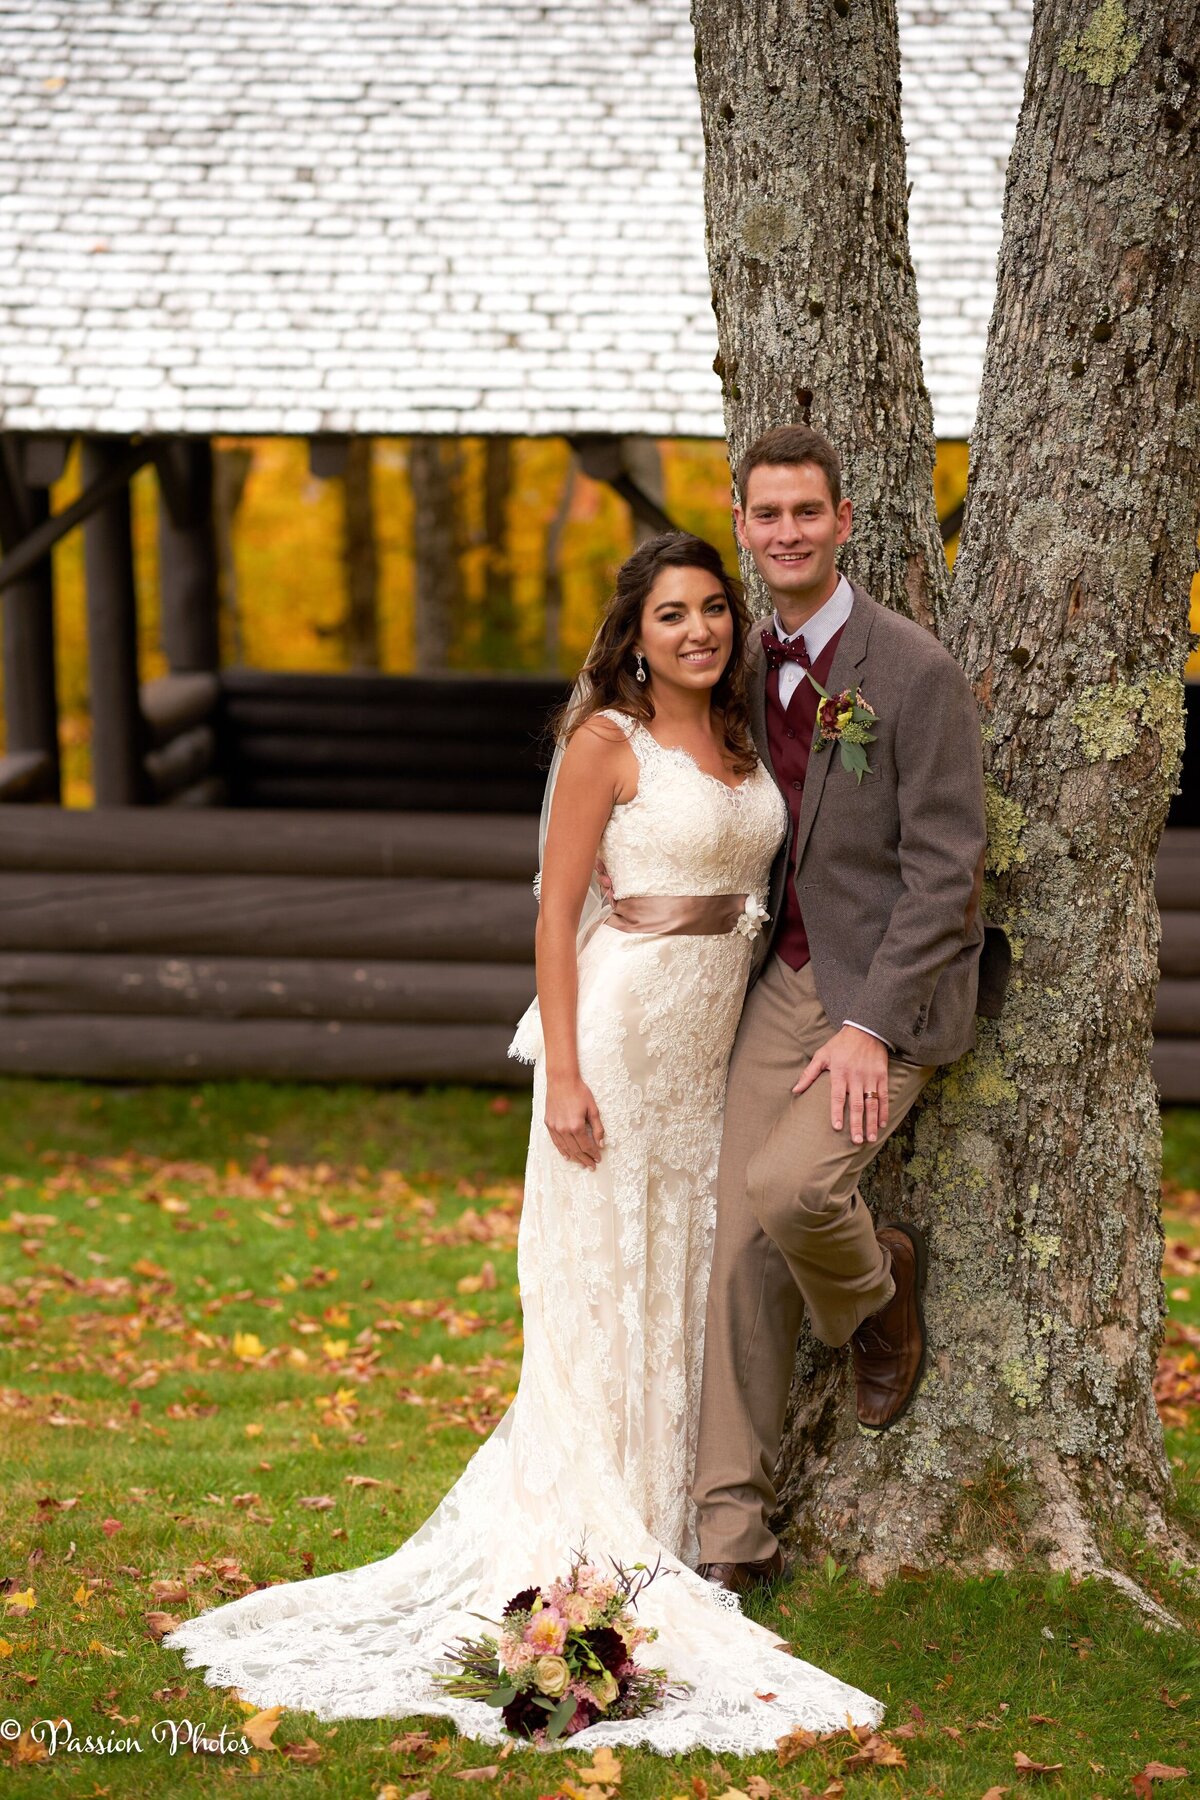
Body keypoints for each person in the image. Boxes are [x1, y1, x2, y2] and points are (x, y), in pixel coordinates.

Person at [164, 530, 884, 1751]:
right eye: (671, 615)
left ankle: (678, 1508)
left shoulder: (749, 737)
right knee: (601, 1288)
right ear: (633, 631)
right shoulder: (603, 742)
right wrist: (564, 1069)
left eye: (714, 609)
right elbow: (557, 912)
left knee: (680, 1273)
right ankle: (593, 1538)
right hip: (614, 1037)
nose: (698, 631)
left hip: (709, 1054)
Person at [691, 425, 1008, 1598]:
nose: (785, 534)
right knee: (732, 1248)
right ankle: (731, 1536)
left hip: (890, 990)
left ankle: (879, 1291)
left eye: (805, 515)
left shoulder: (911, 670)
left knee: (792, 1192)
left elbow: (947, 871)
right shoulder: (736, 662)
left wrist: (870, 1024)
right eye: (766, 517)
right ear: (746, 524)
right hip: (777, 982)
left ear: (844, 522)